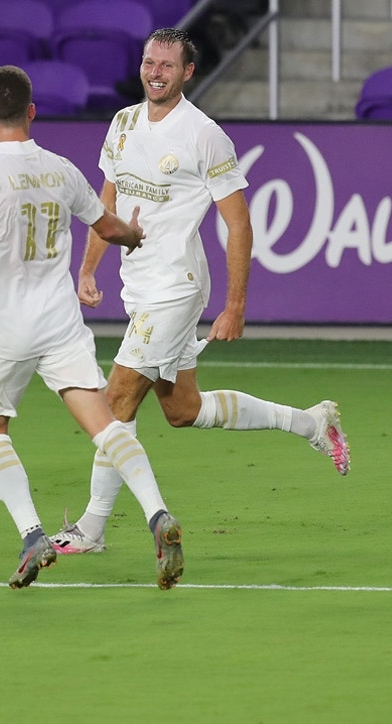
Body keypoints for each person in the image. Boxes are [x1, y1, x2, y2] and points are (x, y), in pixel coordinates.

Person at [50, 27, 350, 557]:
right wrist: (89, 268)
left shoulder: (204, 134)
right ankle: (309, 422)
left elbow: (238, 222)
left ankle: (92, 529)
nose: (155, 73)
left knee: (114, 402)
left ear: (188, 72)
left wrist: (235, 305)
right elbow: (108, 201)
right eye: (149, 63)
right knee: (182, 410)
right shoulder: (121, 122)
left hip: (176, 286)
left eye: (167, 65)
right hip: (139, 286)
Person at [0, 65, 185, 590]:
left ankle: (31, 534)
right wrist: (134, 236)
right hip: (61, 324)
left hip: (2, 327)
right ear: (31, 111)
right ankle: (158, 514)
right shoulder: (62, 170)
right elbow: (107, 225)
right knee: (107, 426)